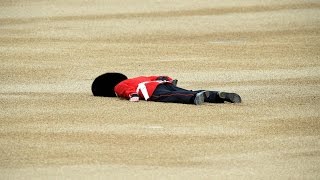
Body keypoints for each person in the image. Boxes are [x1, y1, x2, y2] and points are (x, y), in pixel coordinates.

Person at [91, 72, 241, 105]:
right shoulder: (137, 78)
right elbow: (153, 77)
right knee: (185, 90)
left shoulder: (119, 86)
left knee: (174, 97)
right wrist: (166, 79)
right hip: (161, 84)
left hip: (152, 92)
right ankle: (216, 95)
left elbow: (125, 90)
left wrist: (132, 96)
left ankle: (194, 98)